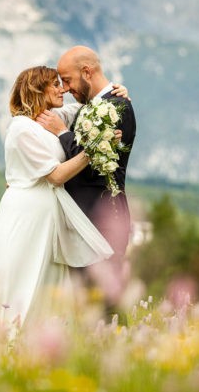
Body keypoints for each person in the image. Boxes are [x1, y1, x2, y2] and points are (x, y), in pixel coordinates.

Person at [0, 66, 127, 338]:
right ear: (37, 89)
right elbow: (55, 176)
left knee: (46, 276)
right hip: (28, 213)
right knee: (21, 270)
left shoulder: (47, 118)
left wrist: (116, 94)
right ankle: (3, 336)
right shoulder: (21, 129)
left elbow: (86, 109)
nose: (62, 89)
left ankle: (43, 338)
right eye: (55, 84)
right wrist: (96, 147)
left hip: (47, 215)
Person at [38, 46, 136, 298]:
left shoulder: (118, 107)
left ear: (87, 72)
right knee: (83, 304)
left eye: (68, 80)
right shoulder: (87, 108)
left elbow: (92, 163)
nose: (66, 88)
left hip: (104, 218)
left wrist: (61, 132)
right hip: (81, 220)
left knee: (105, 302)